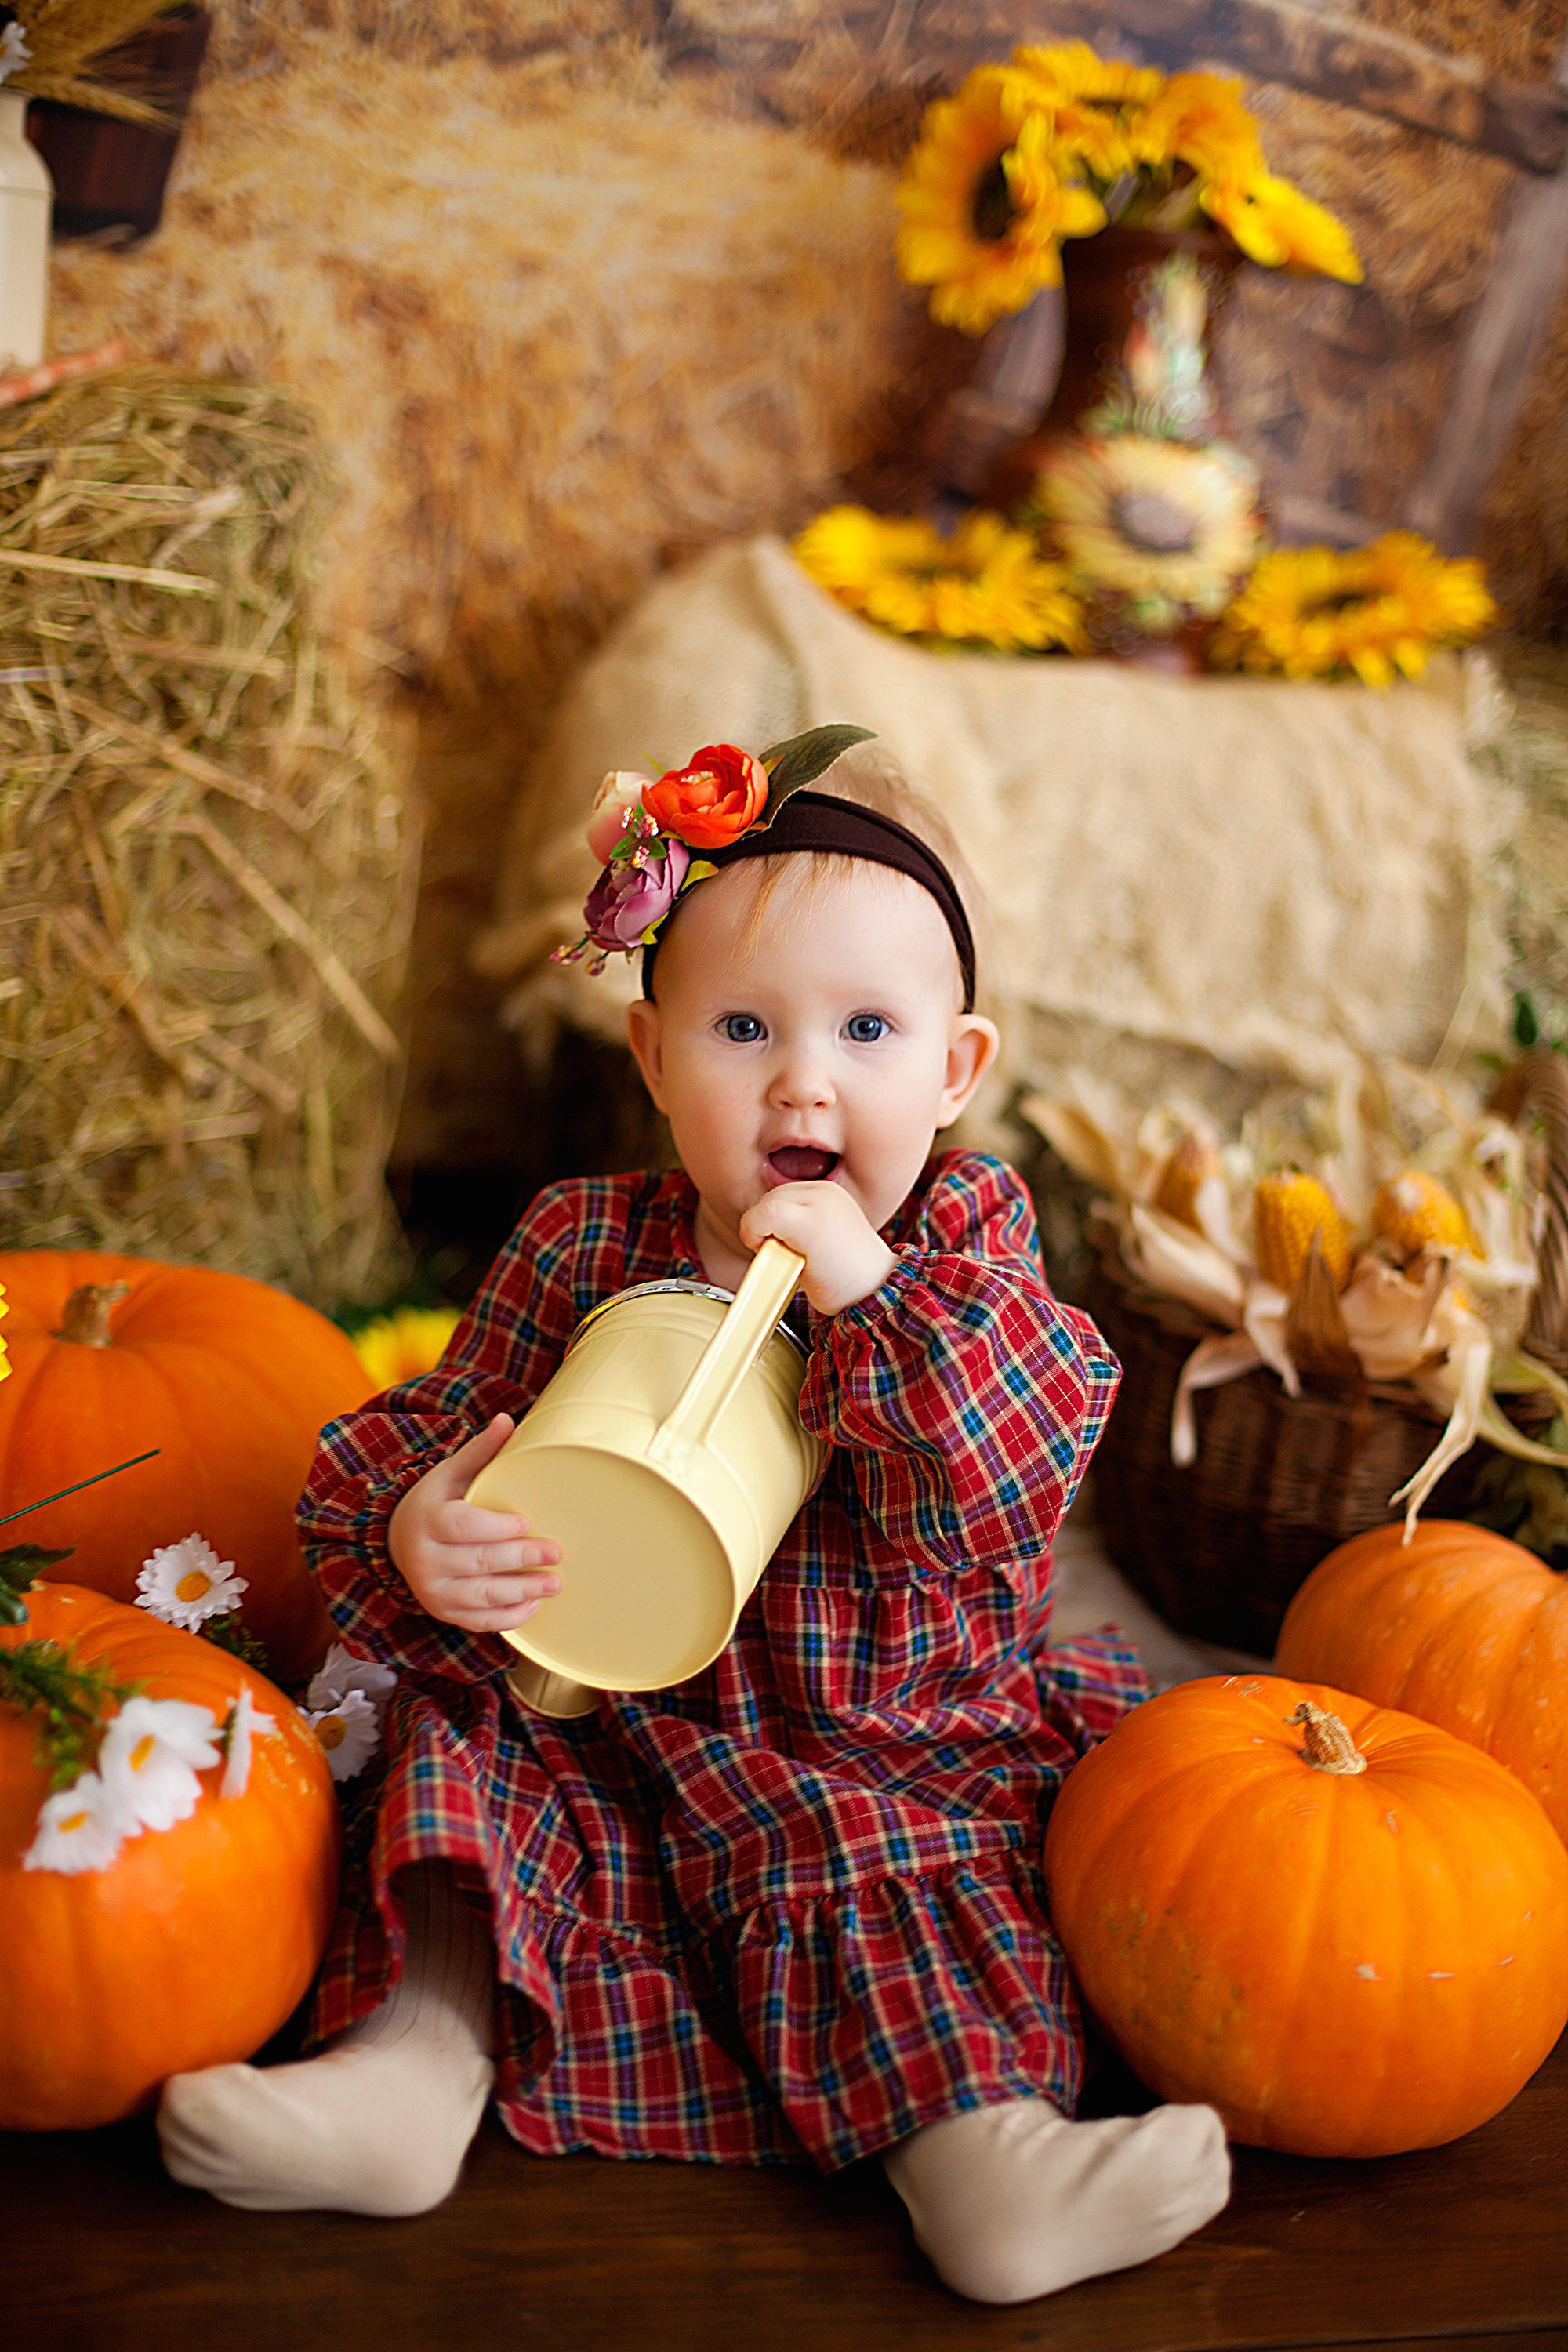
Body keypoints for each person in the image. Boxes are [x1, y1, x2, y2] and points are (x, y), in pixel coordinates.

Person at [158, 738, 1230, 2305]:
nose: (804, 1078)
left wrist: (867, 1296)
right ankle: (404, 2074)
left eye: (868, 1030)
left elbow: (1009, 1476)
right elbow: (453, 1433)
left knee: (886, 1883)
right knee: (466, 1780)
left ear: (953, 1070)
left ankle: (982, 2160)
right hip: (601, 1721)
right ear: (656, 1060)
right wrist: (423, 1532)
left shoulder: (966, 1253)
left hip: (868, 1736)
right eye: (744, 1028)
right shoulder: (588, 1240)